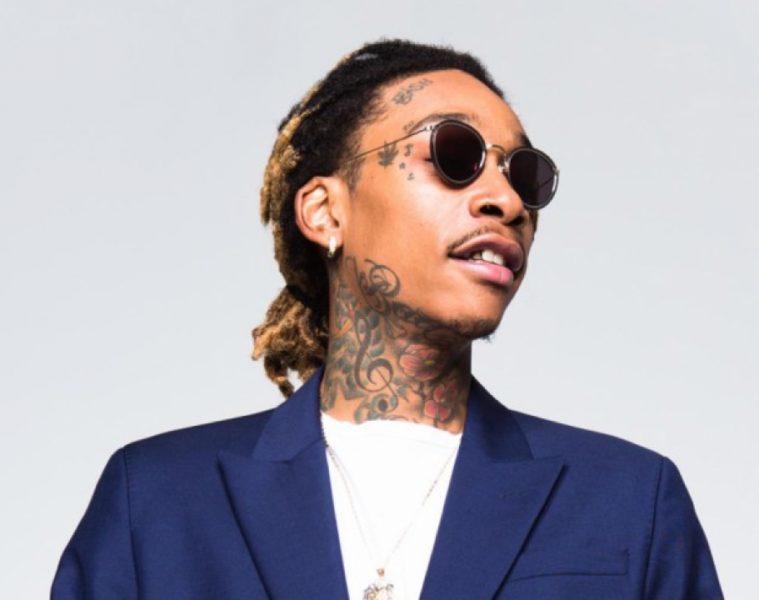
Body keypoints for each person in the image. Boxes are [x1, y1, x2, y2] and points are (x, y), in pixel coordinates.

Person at [52, 39, 723, 599]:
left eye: (524, 175)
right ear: (325, 212)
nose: (506, 200)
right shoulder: (158, 500)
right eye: (454, 155)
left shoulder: (629, 500)